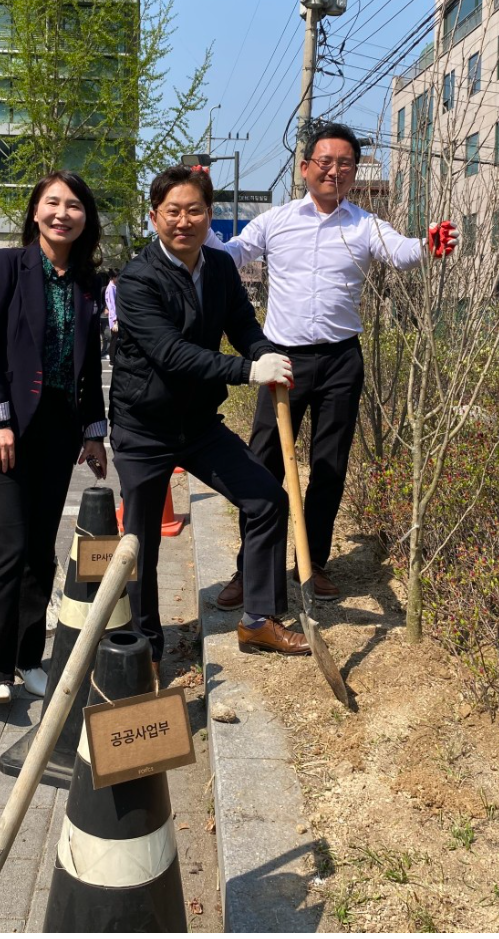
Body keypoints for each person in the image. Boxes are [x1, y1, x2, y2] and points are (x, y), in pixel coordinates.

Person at [209, 122, 456, 607]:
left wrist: (429, 242)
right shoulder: (277, 221)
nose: (334, 171)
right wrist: (199, 230)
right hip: (282, 360)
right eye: (325, 162)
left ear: (355, 172)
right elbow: (233, 253)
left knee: (329, 465)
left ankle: (312, 563)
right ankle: (250, 569)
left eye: (345, 163)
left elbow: (403, 253)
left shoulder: (364, 224)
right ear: (305, 168)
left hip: (342, 358)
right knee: (263, 465)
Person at [111, 165, 306, 658]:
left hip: (198, 425)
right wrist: (247, 371)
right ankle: (145, 646)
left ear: (210, 215)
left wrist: (264, 352)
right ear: (154, 217)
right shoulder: (137, 279)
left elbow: (241, 322)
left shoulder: (218, 267)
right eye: (172, 211)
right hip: (144, 428)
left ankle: (258, 619)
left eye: (194, 210)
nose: (184, 220)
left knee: (266, 500)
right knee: (142, 542)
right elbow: (171, 353)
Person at [0, 171, 109, 705]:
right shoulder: (9, 266)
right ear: (36, 211)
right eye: (53, 203)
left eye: (74, 206)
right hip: (5, 429)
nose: (62, 213)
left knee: (42, 551)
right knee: (10, 546)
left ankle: (27, 659)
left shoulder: (90, 282)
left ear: (86, 218)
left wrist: (94, 431)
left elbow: (88, 366)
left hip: (58, 432)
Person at [102, 269, 120, 360]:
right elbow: (112, 306)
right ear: (113, 277)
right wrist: (115, 319)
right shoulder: (110, 288)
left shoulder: (114, 286)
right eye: (117, 277)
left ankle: (113, 358)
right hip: (114, 317)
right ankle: (112, 359)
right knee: (114, 338)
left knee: (115, 338)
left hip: (114, 316)